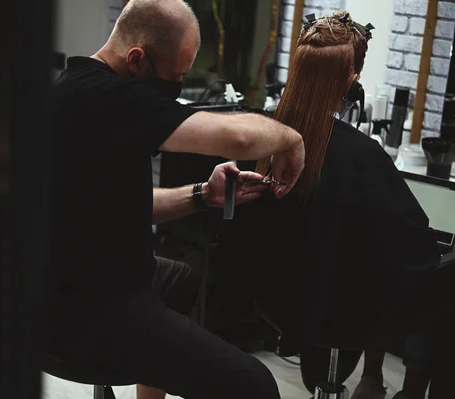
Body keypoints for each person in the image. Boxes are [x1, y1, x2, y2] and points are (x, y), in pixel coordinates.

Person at [43, 0, 305, 398]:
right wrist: (292, 137)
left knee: (179, 278)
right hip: (89, 310)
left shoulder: (81, 87)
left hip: (83, 283)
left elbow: (126, 205)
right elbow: (239, 138)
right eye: (176, 76)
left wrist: (202, 194)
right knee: (255, 384)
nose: (178, 87)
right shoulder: (104, 97)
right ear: (137, 59)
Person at [211, 11, 447, 399]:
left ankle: (369, 378)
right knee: (435, 276)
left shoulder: (266, 140)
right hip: (339, 312)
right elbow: (414, 246)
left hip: (279, 303)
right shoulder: (362, 155)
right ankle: (405, 387)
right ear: (351, 82)